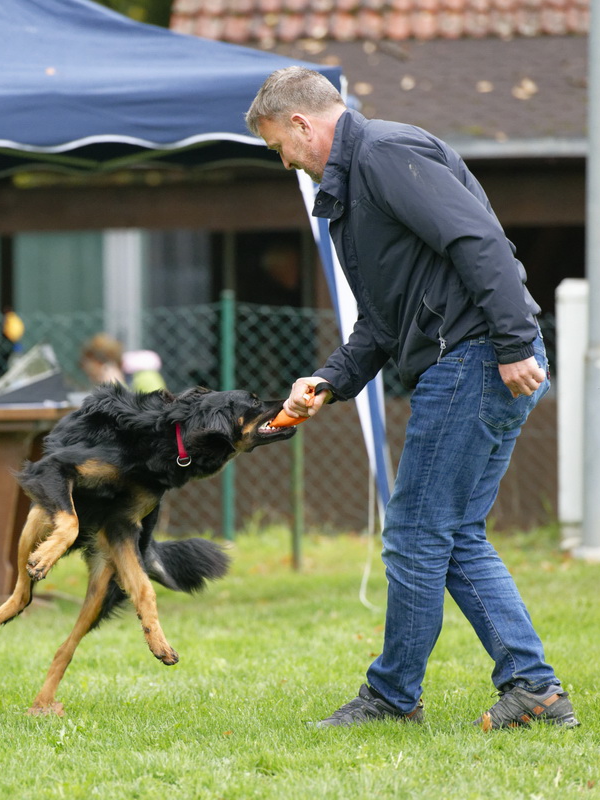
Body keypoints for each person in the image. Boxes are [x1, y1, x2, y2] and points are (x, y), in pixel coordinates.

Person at [246, 66, 578, 731]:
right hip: (472, 359)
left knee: (416, 534)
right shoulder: (350, 192)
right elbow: (381, 321)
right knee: (453, 537)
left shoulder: (386, 154)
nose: (283, 161)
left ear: (300, 124)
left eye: (277, 146)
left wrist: (513, 341)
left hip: (477, 358)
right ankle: (534, 691)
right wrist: (330, 381)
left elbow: (478, 240)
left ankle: (392, 699)